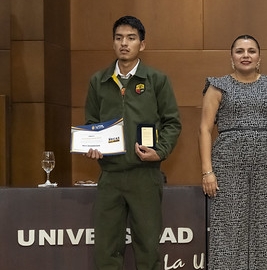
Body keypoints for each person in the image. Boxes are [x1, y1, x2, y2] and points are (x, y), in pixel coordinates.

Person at [84, 15, 182, 269]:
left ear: (142, 44)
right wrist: (91, 146)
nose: (124, 43)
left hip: (145, 176)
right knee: (106, 250)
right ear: (113, 43)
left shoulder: (156, 80)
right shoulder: (99, 80)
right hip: (110, 175)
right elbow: (92, 123)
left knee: (148, 249)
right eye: (118, 38)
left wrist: (159, 152)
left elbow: (172, 123)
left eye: (131, 38)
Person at [199, 34, 267, 270]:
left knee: (264, 226)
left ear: (259, 57)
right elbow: (204, 130)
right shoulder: (217, 85)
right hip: (228, 165)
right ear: (232, 58)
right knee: (229, 226)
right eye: (240, 51)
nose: (246, 56)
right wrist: (207, 171)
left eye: (251, 51)